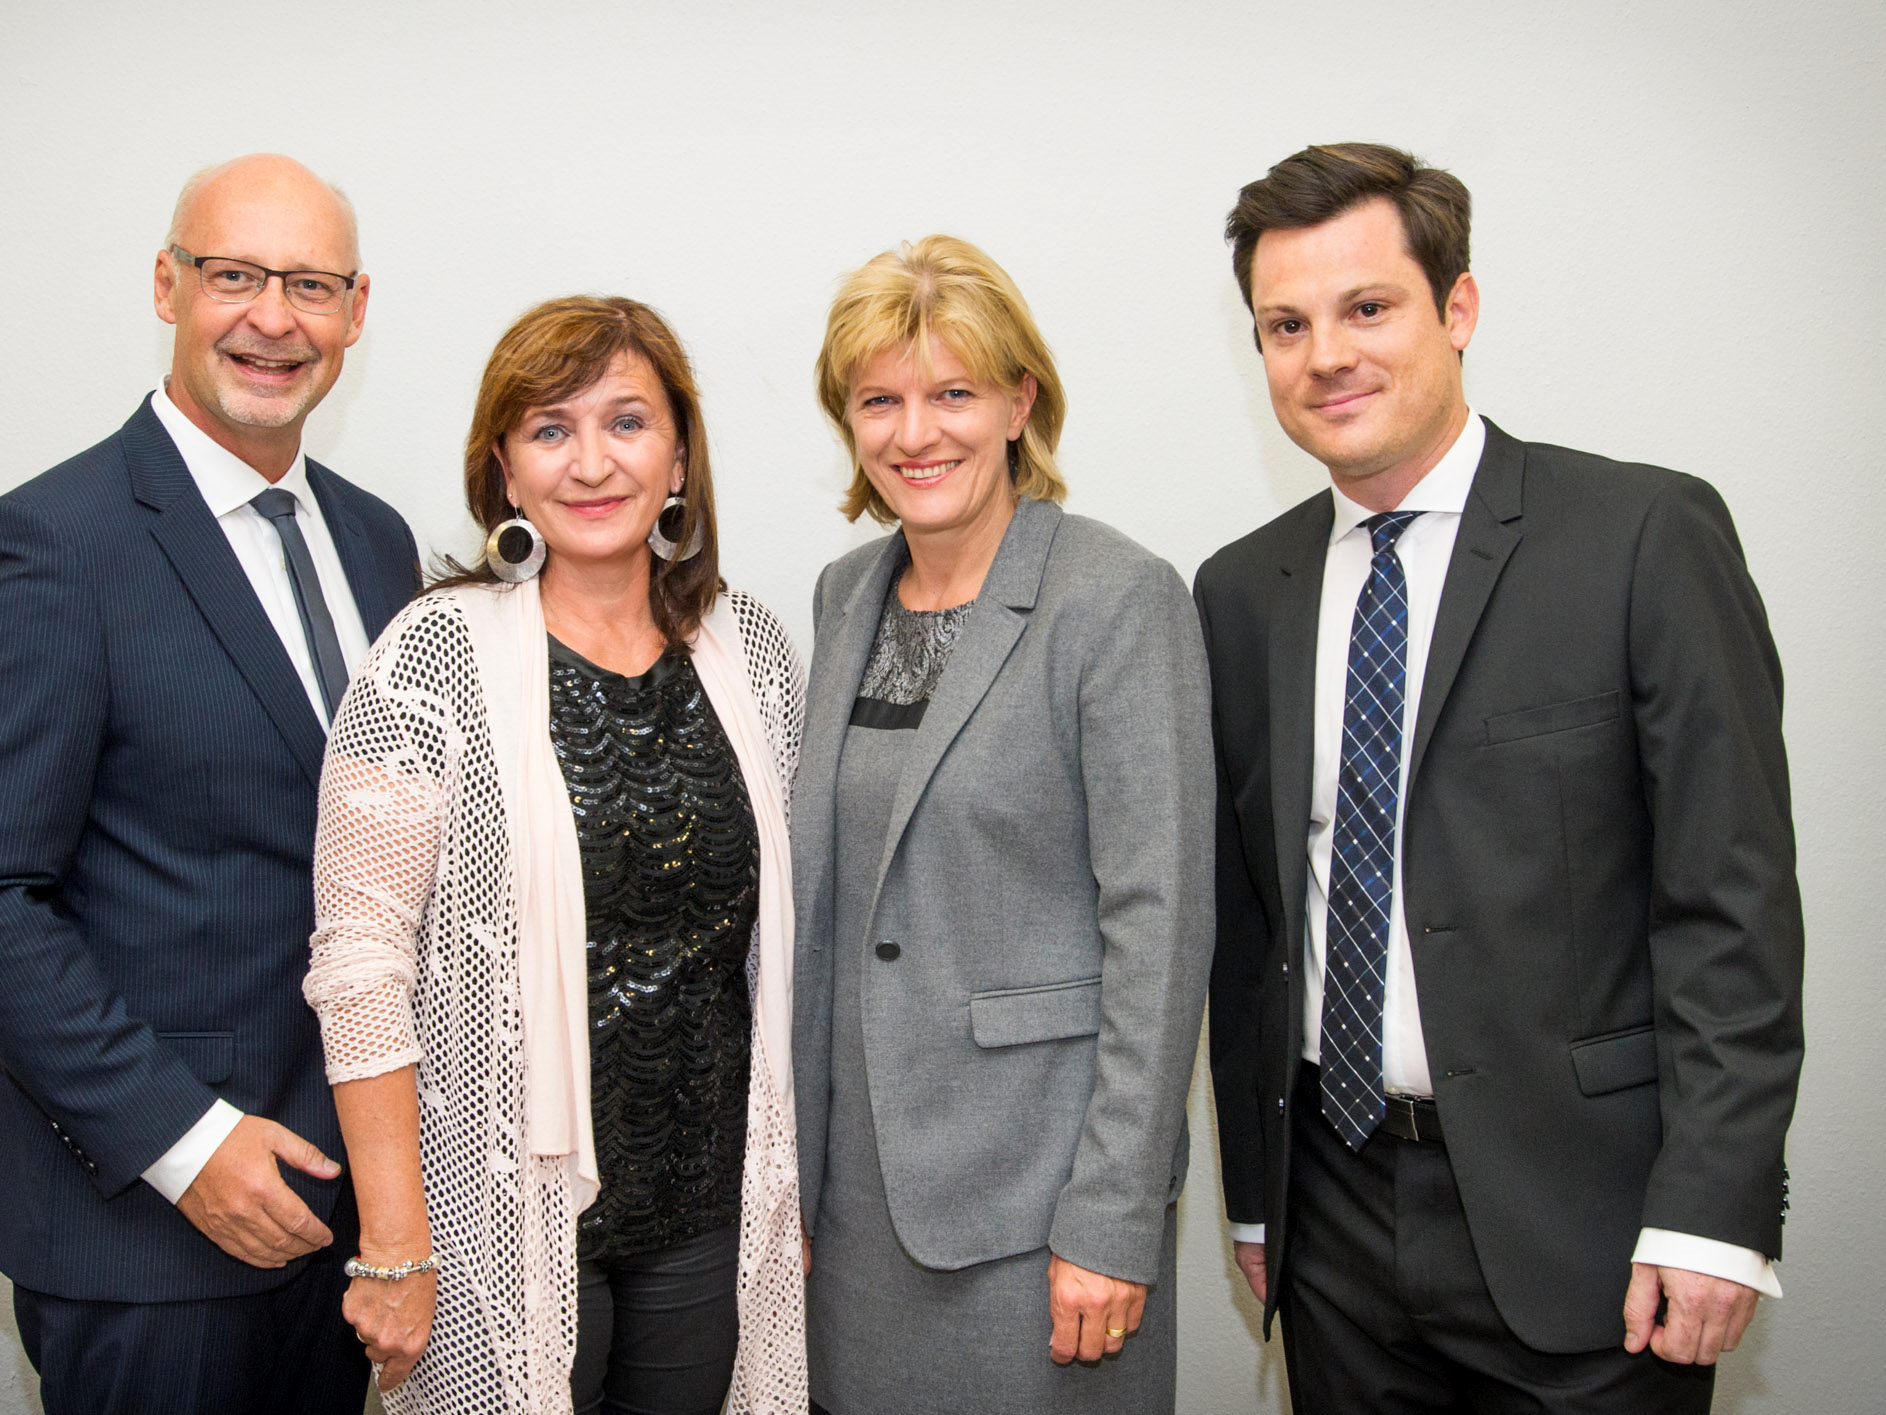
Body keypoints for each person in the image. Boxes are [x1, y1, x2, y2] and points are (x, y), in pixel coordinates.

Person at [1197, 142, 1804, 1413]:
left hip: (1584, 1226)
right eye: (1284, 324)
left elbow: (1727, 902)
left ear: (1456, 308)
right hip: (1336, 1222)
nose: (1325, 356)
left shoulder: (1642, 537)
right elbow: (1253, 922)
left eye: (1367, 308)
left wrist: (1712, 1211)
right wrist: (1257, 1194)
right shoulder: (1242, 592)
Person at [0, 154, 422, 1413]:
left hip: (342, 1212)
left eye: (309, 284)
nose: (271, 317)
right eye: (233, 274)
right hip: (147, 1228)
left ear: (357, 311)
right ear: (166, 284)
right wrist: (187, 1146)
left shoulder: (376, 541)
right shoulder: (51, 540)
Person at [302, 296, 808, 1415]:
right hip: (501, 1217)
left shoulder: (754, 651)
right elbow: (358, 961)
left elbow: (786, 947)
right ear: (506, 469)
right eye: (550, 429)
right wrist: (391, 1243)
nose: (591, 461)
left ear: (678, 455)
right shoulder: (432, 658)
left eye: (626, 422)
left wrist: (792, 1195)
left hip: (707, 1217)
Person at [791, 236, 1214, 1413]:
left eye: (952, 393)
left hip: (1037, 1206)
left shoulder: (1116, 598)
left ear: (1020, 401)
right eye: (879, 399)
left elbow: (1161, 924)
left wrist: (1113, 1212)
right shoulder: (842, 594)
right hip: (852, 1203)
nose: (913, 432)